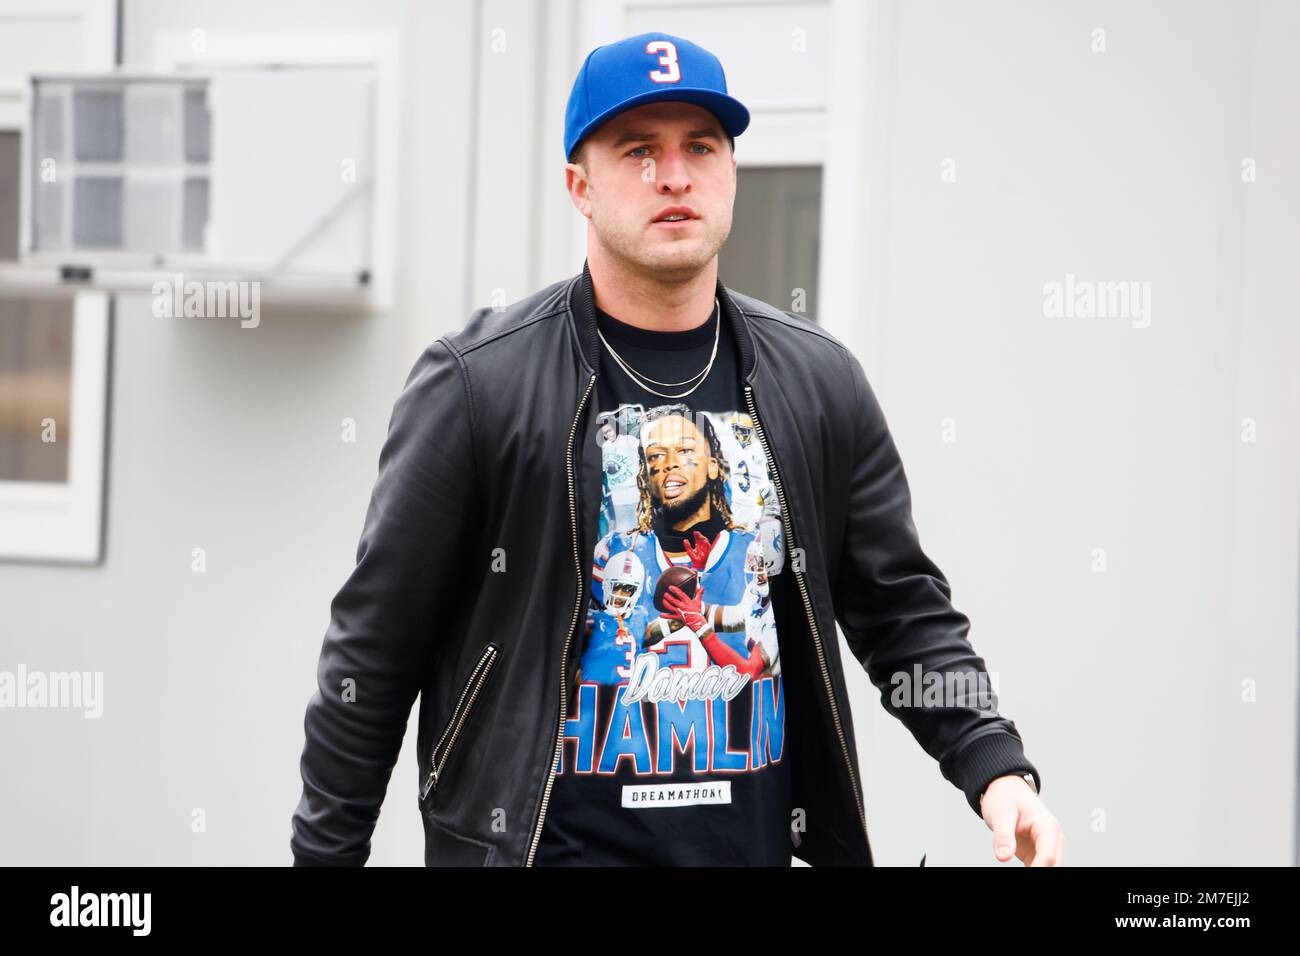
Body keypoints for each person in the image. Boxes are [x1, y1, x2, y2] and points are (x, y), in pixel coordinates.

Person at [290, 30, 1063, 867]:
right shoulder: (479, 385)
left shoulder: (818, 381)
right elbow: (372, 649)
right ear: (579, 186)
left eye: (701, 146)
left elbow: (901, 610)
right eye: (638, 150)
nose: (675, 175)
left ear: (731, 172)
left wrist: (995, 768)